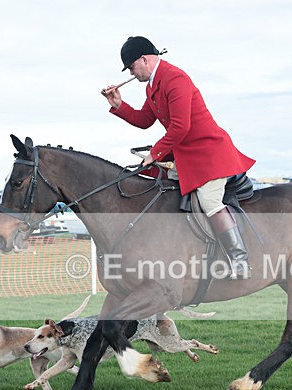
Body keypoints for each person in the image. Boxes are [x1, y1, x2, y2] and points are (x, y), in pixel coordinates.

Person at [101, 36, 255, 278]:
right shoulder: (152, 85)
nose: (131, 72)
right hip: (185, 154)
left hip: (209, 154)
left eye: (131, 67)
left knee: (209, 202)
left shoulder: (175, 79)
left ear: (144, 59)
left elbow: (181, 127)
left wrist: (154, 153)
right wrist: (119, 105)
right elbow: (144, 120)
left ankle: (239, 261)